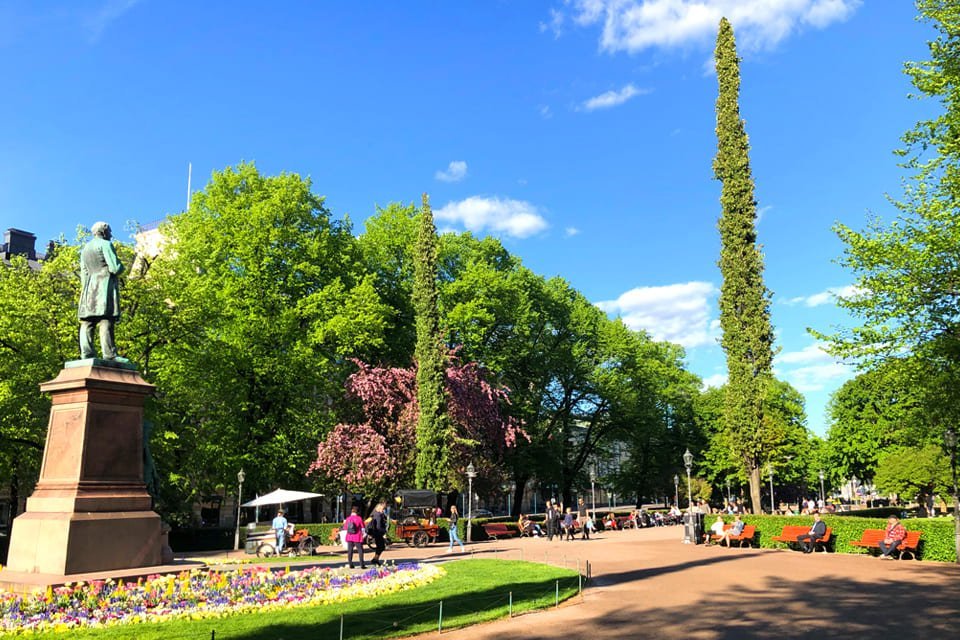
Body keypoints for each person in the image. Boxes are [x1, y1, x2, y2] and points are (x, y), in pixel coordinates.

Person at [78, 221, 127, 361]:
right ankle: (110, 355)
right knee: (106, 320)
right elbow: (115, 268)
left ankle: (86, 354)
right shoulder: (106, 244)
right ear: (104, 232)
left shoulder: (85, 249)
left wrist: (86, 290)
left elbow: (84, 273)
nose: (110, 234)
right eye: (109, 231)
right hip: (104, 286)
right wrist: (122, 267)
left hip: (88, 288)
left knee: (88, 322)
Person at [367, 501, 389, 566]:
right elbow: (378, 526)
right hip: (378, 533)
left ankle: (375, 559)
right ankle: (375, 559)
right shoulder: (378, 515)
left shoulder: (375, 513)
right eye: (383, 508)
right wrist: (384, 531)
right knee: (381, 546)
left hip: (376, 532)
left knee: (380, 546)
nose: (383, 510)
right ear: (380, 508)